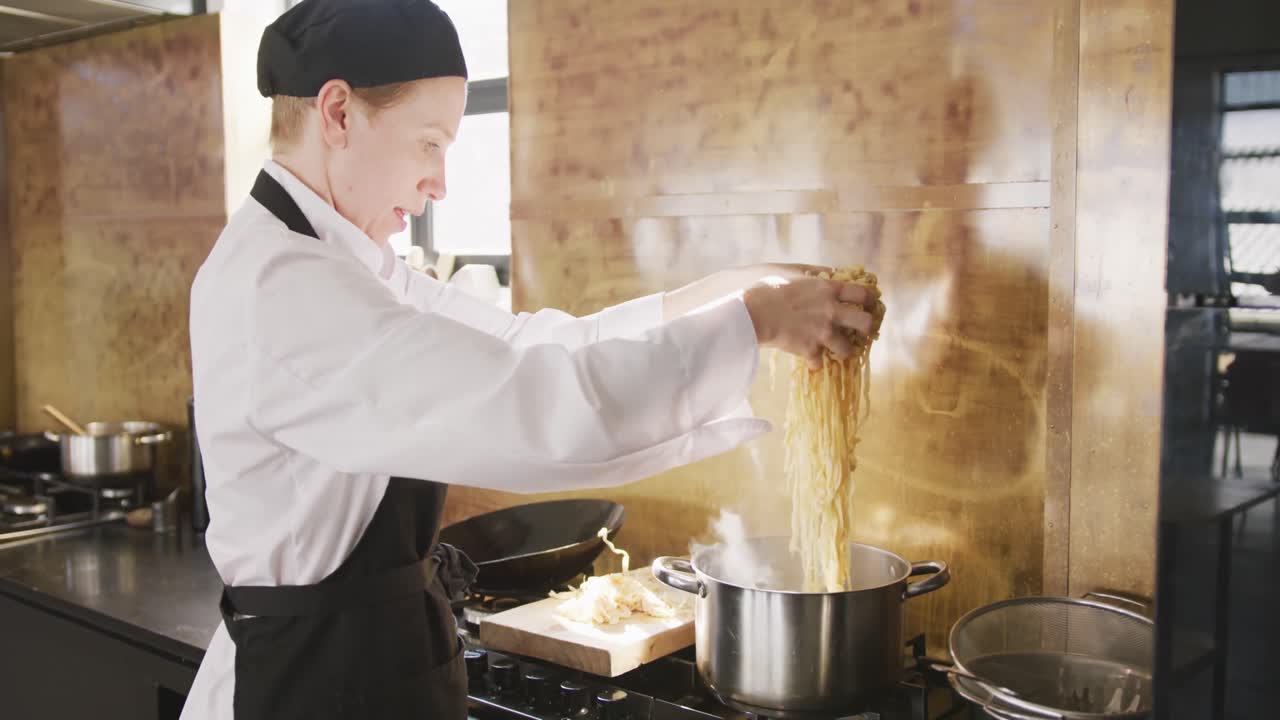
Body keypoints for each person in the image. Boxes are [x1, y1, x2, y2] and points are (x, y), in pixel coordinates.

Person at [182, 1, 876, 718]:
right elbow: (530, 403)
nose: (440, 184)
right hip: (317, 686)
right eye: (429, 143)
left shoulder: (343, 266)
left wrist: (716, 297)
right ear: (338, 114)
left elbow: (530, 345)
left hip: (370, 664)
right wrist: (752, 325)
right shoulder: (285, 288)